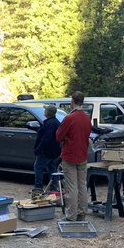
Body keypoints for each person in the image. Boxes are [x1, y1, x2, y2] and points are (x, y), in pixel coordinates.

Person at [54, 92, 93, 221]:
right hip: (82, 154)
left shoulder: (69, 118)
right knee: (82, 184)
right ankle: (82, 212)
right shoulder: (87, 117)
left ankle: (71, 215)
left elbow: (58, 136)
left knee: (71, 187)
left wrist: (66, 138)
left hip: (70, 155)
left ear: (72, 101)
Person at [32, 105, 62, 194]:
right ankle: (53, 187)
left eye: (45, 110)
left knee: (38, 167)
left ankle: (38, 187)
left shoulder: (49, 124)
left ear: (47, 113)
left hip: (46, 151)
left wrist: (39, 148)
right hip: (54, 151)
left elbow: (46, 138)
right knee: (52, 168)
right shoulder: (56, 122)